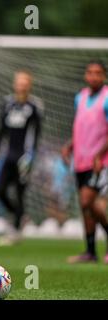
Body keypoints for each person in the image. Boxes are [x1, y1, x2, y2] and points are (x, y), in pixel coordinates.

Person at [0, 70, 42, 246]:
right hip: (8, 155)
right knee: (0, 191)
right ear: (15, 84)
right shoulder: (7, 103)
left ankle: (16, 231)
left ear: (29, 85)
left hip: (24, 158)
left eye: (25, 82)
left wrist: (30, 156)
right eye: (19, 82)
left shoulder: (34, 106)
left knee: (19, 193)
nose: (22, 85)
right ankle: (20, 216)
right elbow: (1, 130)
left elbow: (36, 133)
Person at [62, 60, 108, 264]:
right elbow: (82, 125)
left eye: (98, 73)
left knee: (87, 201)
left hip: (100, 162)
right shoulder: (79, 97)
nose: (94, 76)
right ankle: (90, 252)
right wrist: (70, 145)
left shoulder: (107, 97)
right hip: (80, 160)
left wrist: (99, 156)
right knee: (85, 208)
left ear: (104, 76)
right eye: (90, 72)